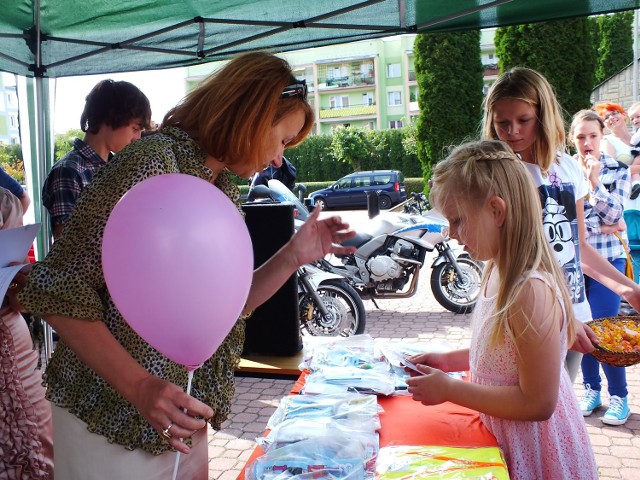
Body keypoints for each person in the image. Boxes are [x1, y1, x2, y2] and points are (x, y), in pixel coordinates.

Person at [17, 51, 356, 479]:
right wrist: (140, 387)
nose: (277, 159)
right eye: (282, 140)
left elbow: (222, 304)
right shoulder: (154, 163)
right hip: (107, 420)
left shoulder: (220, 186)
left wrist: (292, 256)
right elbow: (57, 288)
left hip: (176, 416)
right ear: (250, 116)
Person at [405, 140, 598, 479]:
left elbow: (538, 403)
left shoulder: (528, 291)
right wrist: (446, 360)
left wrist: (450, 390)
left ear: (496, 210)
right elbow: (501, 351)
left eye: (458, 221)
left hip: (533, 448)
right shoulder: (495, 268)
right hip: (502, 434)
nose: (452, 234)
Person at [481, 67, 640, 382]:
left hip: (574, 316)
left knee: (557, 405)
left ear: (543, 116)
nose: (512, 131)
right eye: (503, 122)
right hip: (526, 316)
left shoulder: (567, 168)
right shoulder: (494, 173)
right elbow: (502, 257)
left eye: (523, 120)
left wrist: (629, 288)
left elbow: (577, 246)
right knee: (533, 407)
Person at [569, 109, 632, 425]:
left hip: (607, 263)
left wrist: (595, 184)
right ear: (572, 139)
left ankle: (619, 396)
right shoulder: (564, 173)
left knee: (605, 329)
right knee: (582, 327)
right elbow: (570, 227)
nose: (587, 142)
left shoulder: (617, 171)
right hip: (573, 264)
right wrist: (605, 224)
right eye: (580, 136)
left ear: (602, 136)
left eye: (593, 135)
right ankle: (591, 390)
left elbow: (616, 215)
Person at [42, 79, 151, 239]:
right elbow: (66, 246)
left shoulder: (120, 167)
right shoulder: (69, 171)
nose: (137, 138)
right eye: (134, 128)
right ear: (110, 117)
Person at [0, 187, 53, 479]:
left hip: (15, 347)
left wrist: (19, 280)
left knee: (38, 442)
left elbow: (20, 301)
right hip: (9, 363)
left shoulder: (5, 200)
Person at [594, 102, 640, 200]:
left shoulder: (637, 137)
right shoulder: (607, 142)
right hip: (627, 198)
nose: (611, 117)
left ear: (624, 115)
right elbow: (613, 170)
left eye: (614, 113)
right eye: (606, 117)